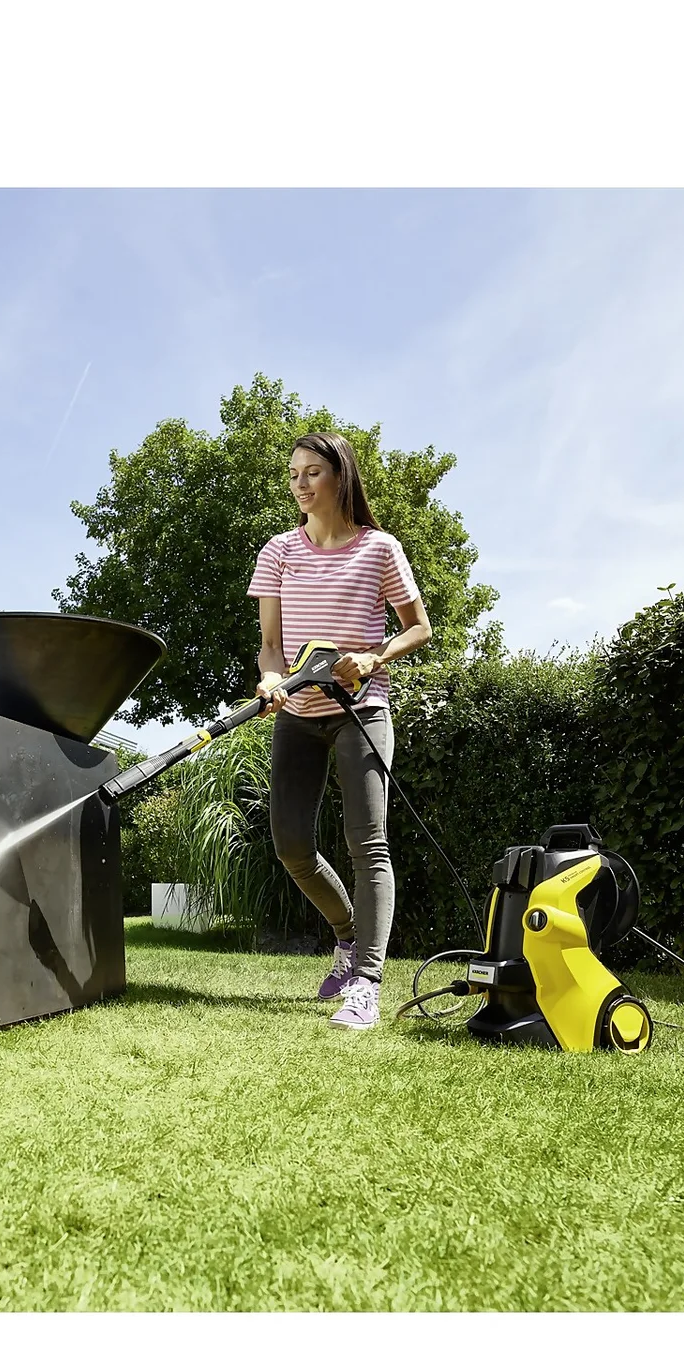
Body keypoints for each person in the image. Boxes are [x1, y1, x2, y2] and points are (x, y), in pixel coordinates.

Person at [247, 433, 433, 1030]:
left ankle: (367, 983)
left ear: (340, 476)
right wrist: (270, 679)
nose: (300, 484)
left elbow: (419, 627)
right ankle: (348, 934)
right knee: (290, 844)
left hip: (361, 710)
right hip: (297, 714)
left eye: (312, 472)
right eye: (293, 474)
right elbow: (270, 643)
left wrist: (375, 657)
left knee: (368, 843)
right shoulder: (279, 551)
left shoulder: (380, 548)